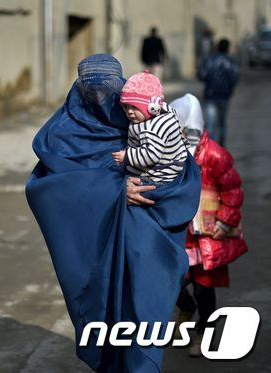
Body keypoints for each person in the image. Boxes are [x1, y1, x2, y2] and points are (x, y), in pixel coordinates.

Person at [25, 54, 201, 372]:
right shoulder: (63, 133)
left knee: (144, 318)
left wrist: (157, 189)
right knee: (105, 320)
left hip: (145, 244)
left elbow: (181, 169)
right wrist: (117, 191)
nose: (100, 99)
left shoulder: (135, 116)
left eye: (108, 90)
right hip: (96, 248)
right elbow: (45, 190)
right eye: (90, 91)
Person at [171, 93, 248, 357]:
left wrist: (226, 222)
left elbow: (233, 190)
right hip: (179, 234)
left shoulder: (215, 155)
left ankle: (204, 330)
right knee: (174, 281)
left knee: (204, 287)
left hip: (208, 236)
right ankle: (185, 306)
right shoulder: (167, 153)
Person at [112, 70, 188, 184]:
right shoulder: (158, 114)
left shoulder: (153, 127)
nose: (129, 112)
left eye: (134, 107)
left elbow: (151, 154)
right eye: (126, 107)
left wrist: (127, 156)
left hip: (158, 177)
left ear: (152, 107)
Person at [197, 38, 239, 146]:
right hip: (225, 95)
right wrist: (229, 88)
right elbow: (234, 78)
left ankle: (211, 148)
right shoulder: (231, 62)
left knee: (211, 123)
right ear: (228, 48)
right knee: (222, 122)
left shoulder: (210, 60)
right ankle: (222, 146)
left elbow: (202, 75)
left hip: (210, 95)